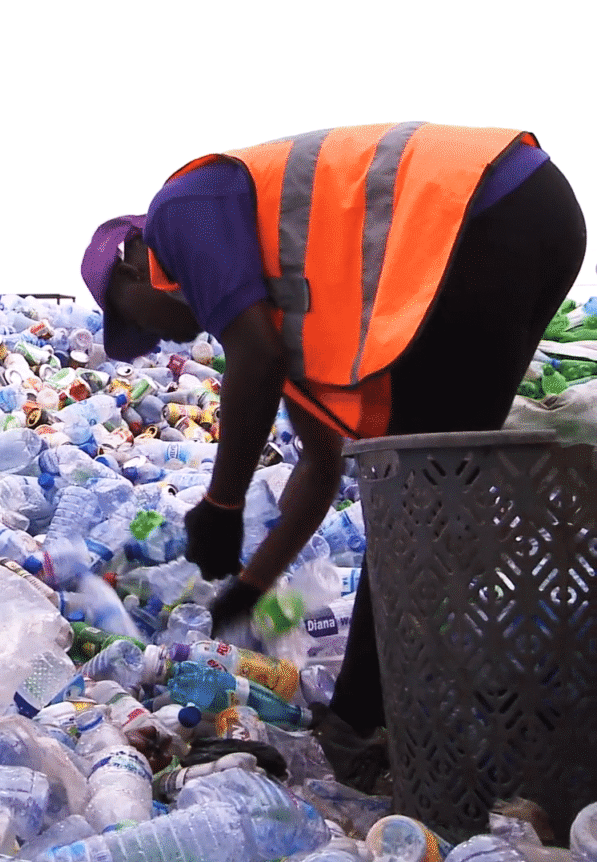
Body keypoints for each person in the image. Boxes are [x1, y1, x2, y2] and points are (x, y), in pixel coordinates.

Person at [80, 122, 586, 787]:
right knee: (442, 496)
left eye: (137, 319)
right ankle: (479, 705)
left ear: (132, 264)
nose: (157, 338)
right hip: (530, 215)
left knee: (425, 500)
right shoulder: (287, 316)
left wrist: (222, 506)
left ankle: (359, 723)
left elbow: (254, 359)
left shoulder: (181, 208)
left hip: (482, 212)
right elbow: (319, 471)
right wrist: (249, 589)